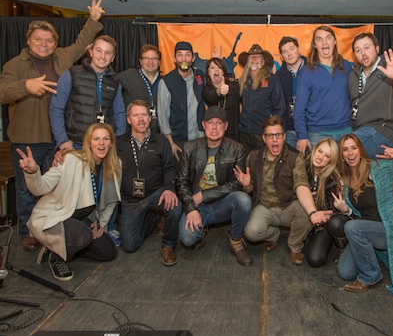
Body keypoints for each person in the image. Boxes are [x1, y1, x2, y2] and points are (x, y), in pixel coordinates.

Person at [0, 0, 104, 252]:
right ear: (28, 40)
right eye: (39, 40)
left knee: (55, 187)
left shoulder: (61, 58)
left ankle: (51, 225)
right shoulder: (15, 65)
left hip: (58, 137)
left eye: (49, 40)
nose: (44, 45)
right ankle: (29, 231)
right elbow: (2, 92)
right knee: (26, 188)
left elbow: (81, 45)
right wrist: (25, 86)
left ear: (55, 43)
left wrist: (93, 20)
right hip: (27, 137)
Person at [16, 123, 120, 281]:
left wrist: (102, 224)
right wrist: (34, 172)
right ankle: (56, 257)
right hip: (56, 215)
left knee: (108, 252)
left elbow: (112, 200)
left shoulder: (114, 165)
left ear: (111, 142)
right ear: (88, 142)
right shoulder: (71, 160)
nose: (101, 143)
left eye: (105, 139)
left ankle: (55, 246)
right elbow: (40, 188)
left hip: (81, 218)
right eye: (96, 139)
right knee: (83, 236)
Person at [234, 115, 331, 265]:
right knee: (251, 232)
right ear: (264, 138)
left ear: (284, 137)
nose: (274, 140)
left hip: (288, 206)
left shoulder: (295, 157)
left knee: (305, 212)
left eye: (278, 135)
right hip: (265, 206)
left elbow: (301, 185)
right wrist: (247, 185)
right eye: (270, 135)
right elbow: (251, 190)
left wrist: (312, 212)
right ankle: (274, 235)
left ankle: (295, 246)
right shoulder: (253, 157)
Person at [334, 134, 393, 293]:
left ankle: (370, 276)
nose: (350, 153)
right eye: (345, 150)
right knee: (346, 272)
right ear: (341, 155)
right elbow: (358, 215)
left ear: (360, 150)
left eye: (354, 148)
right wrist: (346, 210)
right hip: (365, 232)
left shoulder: (379, 168)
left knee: (352, 227)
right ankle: (372, 255)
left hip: (387, 230)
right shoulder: (347, 180)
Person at [177, 106, 253, 266]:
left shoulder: (237, 149)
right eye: (210, 123)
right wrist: (190, 208)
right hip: (197, 206)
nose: (214, 127)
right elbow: (181, 182)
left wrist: (203, 195)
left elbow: (235, 184)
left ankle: (235, 239)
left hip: (222, 203)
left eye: (219, 123)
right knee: (188, 238)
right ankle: (201, 230)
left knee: (244, 200)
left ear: (226, 126)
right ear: (203, 124)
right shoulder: (189, 148)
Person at [116, 100, 182, 266]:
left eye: (144, 114)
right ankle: (152, 218)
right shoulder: (118, 143)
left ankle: (168, 246)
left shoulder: (161, 142)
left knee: (174, 206)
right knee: (129, 245)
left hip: (155, 194)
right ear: (129, 119)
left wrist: (169, 189)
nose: (141, 119)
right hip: (130, 200)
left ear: (150, 117)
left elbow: (170, 168)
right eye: (136, 115)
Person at [49, 34, 127, 152]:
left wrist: (117, 141)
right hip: (76, 145)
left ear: (113, 57)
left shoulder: (115, 82)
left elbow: (119, 113)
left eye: (108, 53)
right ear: (90, 52)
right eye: (99, 51)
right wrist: (63, 140)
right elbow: (56, 109)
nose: (102, 56)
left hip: (104, 147)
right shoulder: (71, 74)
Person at [349, 32, 393, 157]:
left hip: (386, 130)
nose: (363, 53)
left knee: (345, 151)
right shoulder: (353, 74)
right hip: (361, 130)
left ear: (377, 48)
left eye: (367, 47)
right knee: (337, 149)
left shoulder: (389, 66)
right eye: (358, 50)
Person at [294, 26, 352, 155]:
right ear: (315, 45)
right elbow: (299, 108)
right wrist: (302, 136)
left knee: (347, 174)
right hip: (317, 134)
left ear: (335, 41)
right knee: (321, 175)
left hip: (346, 131)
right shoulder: (306, 72)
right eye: (319, 39)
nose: (324, 43)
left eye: (328, 38)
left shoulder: (346, 66)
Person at [303, 138, 349, 267]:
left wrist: (317, 203)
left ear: (331, 160)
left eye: (327, 156)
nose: (320, 157)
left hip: (324, 223)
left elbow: (334, 210)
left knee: (315, 259)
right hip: (304, 217)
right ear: (314, 149)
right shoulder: (302, 167)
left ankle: (342, 247)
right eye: (320, 151)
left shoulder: (334, 178)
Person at [157, 41, 206, 160]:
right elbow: (163, 117)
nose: (184, 59)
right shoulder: (167, 82)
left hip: (199, 139)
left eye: (187, 54)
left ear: (193, 58)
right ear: (174, 59)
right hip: (178, 141)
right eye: (180, 55)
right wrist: (171, 143)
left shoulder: (199, 76)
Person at [237, 44, 285, 153]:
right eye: (251, 56)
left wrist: (273, 131)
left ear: (263, 61)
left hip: (263, 133)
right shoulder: (241, 82)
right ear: (247, 61)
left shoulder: (272, 80)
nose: (254, 59)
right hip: (244, 132)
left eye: (258, 56)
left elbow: (280, 108)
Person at [118, 44, 162, 133]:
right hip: (132, 133)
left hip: (158, 134)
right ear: (140, 61)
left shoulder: (165, 81)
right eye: (146, 58)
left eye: (154, 58)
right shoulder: (128, 76)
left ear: (159, 62)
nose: (150, 62)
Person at [276, 36, 305, 149]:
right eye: (285, 51)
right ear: (281, 56)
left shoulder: (313, 70)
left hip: (311, 127)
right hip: (289, 129)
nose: (289, 54)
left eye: (292, 49)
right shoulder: (277, 77)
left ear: (299, 49)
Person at [202, 57, 240, 142]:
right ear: (208, 72)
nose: (216, 70)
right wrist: (219, 91)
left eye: (219, 67)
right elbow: (212, 97)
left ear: (223, 71)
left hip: (233, 136)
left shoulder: (234, 86)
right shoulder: (206, 89)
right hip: (214, 135)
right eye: (212, 68)